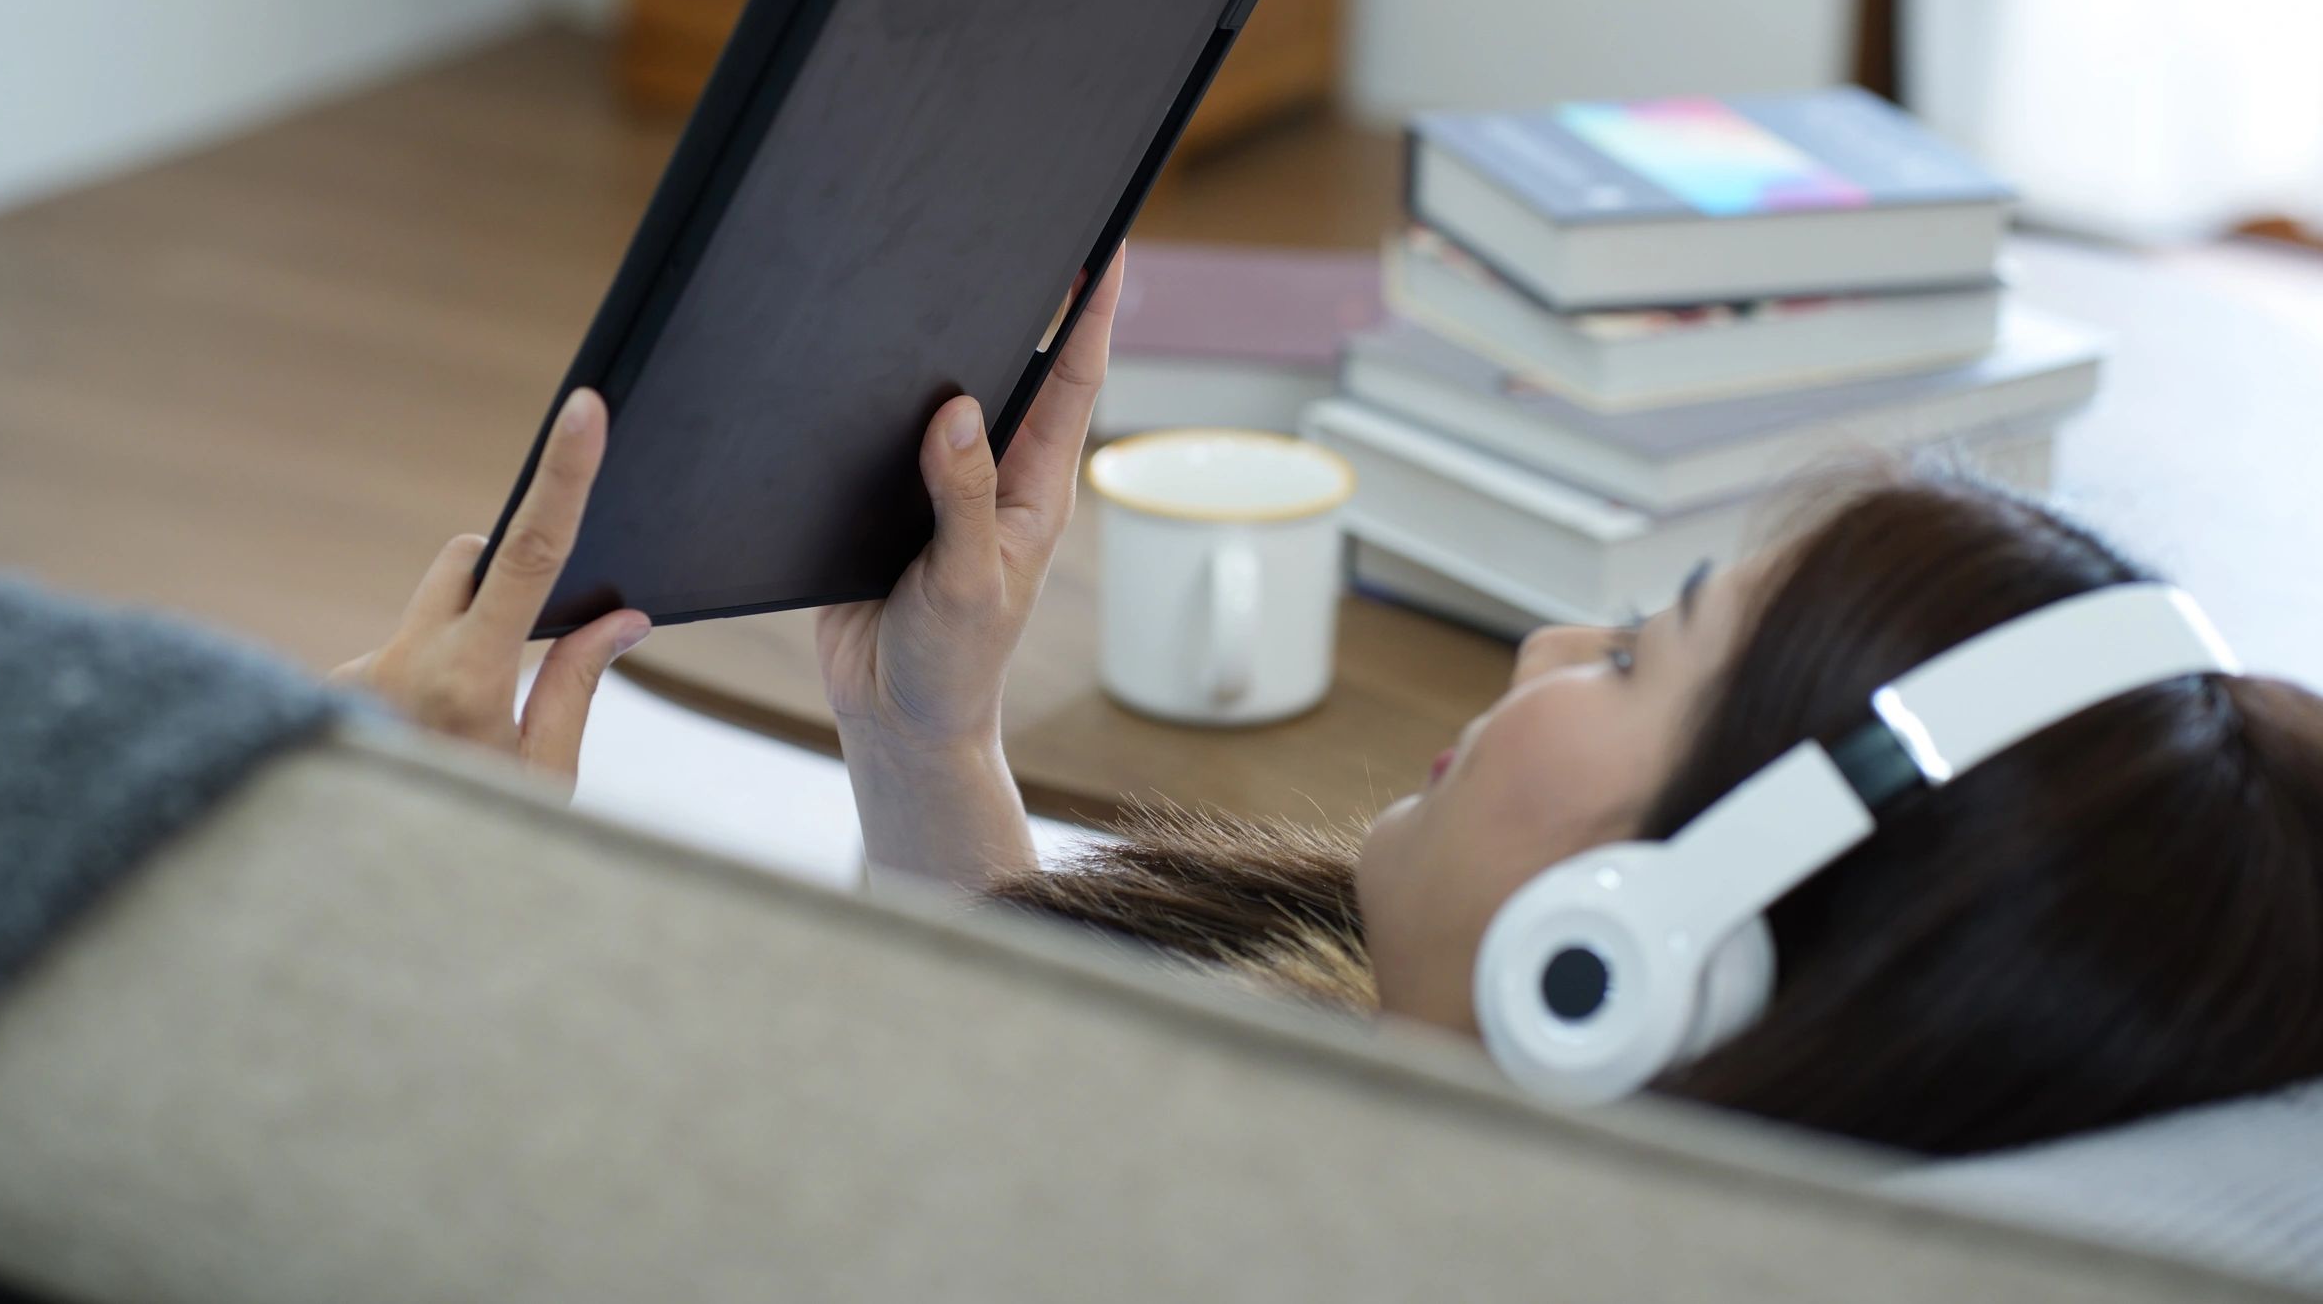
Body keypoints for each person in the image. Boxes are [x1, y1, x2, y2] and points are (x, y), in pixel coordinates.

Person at [335, 247, 2323, 1156]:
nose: (1545, 646)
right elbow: (1065, 1105)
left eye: (1635, 656)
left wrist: (420, 896)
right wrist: (925, 736)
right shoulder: (1405, 1112)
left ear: (1642, 958)